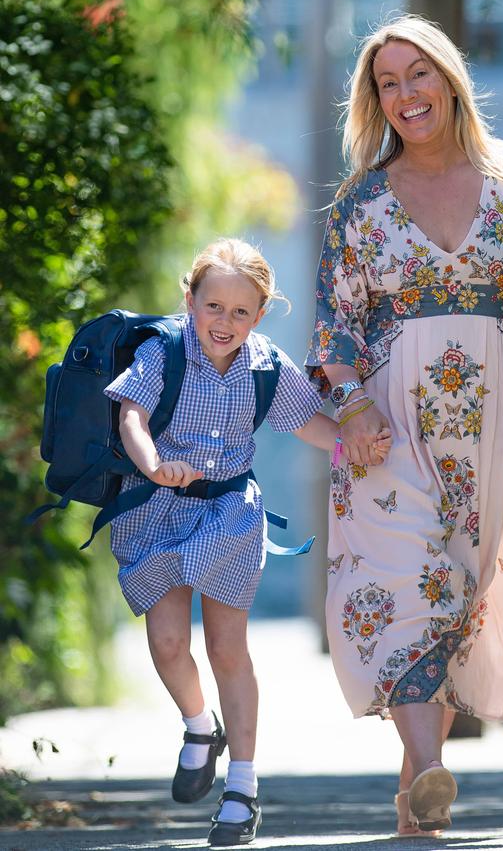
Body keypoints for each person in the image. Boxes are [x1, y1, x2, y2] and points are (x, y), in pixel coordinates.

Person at [305, 15, 503, 836]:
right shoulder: (363, 201)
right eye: (387, 83)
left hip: (491, 425)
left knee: (456, 602)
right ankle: (433, 767)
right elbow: (334, 325)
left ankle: (417, 800)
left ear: (449, 78)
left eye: (417, 75)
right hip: (388, 423)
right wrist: (356, 405)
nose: (405, 95)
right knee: (412, 587)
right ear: (376, 99)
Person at [104, 236, 392, 846]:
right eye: (214, 307)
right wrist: (154, 463)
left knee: (229, 650)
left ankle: (242, 788)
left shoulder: (264, 364)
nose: (225, 323)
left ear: (258, 315)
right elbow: (130, 414)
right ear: (191, 300)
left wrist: (353, 445)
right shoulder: (164, 353)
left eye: (240, 312)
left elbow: (308, 419)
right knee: (167, 642)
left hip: (231, 517)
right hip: (157, 509)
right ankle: (199, 724)